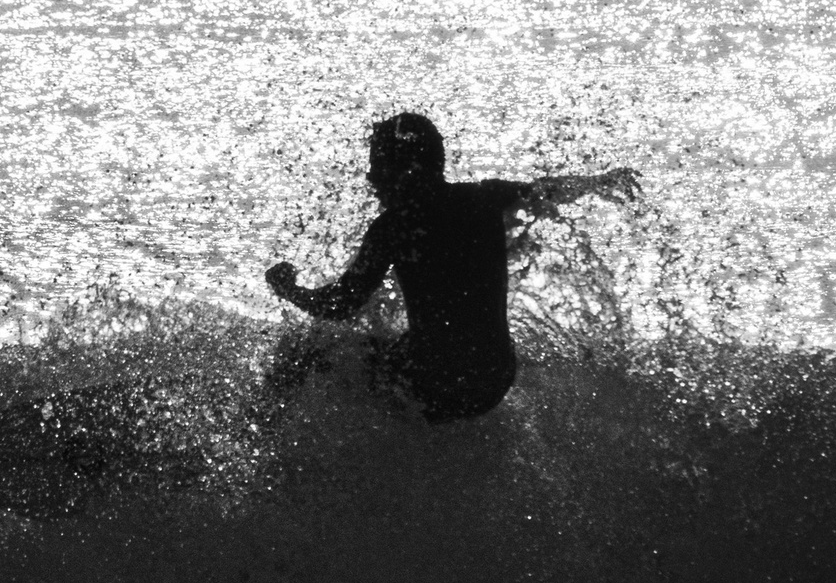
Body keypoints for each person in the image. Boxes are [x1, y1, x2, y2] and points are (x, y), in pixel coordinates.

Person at [264, 112, 639, 421]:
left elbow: (340, 306)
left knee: (310, 348)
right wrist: (601, 182)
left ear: (408, 169)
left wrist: (288, 289)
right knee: (405, 345)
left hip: (437, 380)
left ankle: (261, 438)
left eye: (379, 166)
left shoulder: (394, 227)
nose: (371, 178)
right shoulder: (483, 199)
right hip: (494, 378)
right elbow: (548, 191)